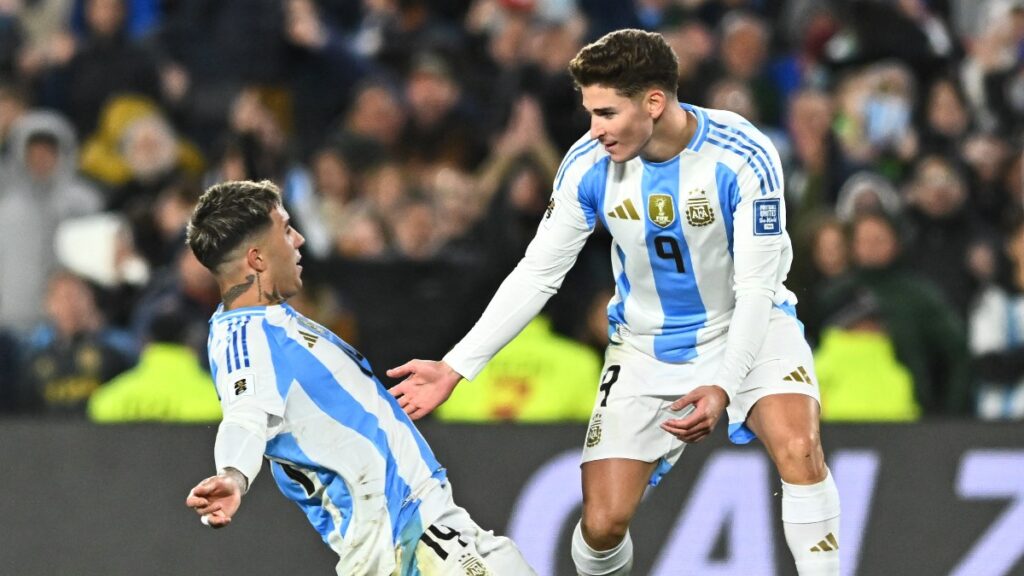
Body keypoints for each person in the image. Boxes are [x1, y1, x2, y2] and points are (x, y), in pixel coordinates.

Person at [388, 29, 841, 576]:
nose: (594, 130)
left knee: (799, 448)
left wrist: (723, 383)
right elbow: (538, 272)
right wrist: (456, 366)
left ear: (654, 102)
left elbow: (756, 289)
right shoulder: (588, 165)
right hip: (645, 347)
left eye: (605, 113)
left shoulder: (743, 157)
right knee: (602, 525)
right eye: (589, 113)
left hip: (748, 323)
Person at [182, 180, 534, 576]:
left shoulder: (271, 321)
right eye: (285, 228)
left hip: (426, 529)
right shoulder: (246, 340)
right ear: (257, 258)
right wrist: (233, 474)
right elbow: (245, 413)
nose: (298, 240)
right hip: (409, 544)